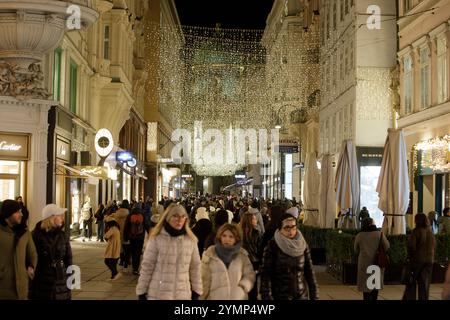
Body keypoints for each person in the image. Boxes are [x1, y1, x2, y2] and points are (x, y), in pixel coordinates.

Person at [136, 203, 202, 300]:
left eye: (183, 217)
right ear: (168, 218)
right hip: (158, 293)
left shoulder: (190, 241)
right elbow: (147, 266)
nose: (179, 220)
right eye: (175, 216)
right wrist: (142, 291)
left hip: (182, 294)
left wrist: (196, 290)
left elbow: (195, 268)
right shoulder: (157, 239)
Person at [260, 213, 318, 300]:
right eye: (287, 227)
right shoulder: (272, 246)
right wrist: (266, 296)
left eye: (293, 227)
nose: (291, 231)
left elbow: (310, 272)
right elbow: (265, 275)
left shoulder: (302, 245)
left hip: (301, 295)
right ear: (280, 229)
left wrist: (315, 296)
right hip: (280, 295)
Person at [200, 223, 255, 300]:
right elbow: (204, 280)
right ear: (220, 237)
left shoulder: (242, 256)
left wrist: (243, 287)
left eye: (231, 237)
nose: (227, 239)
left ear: (236, 239)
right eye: (224, 236)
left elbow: (249, 275)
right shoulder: (210, 255)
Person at [30, 204, 72, 300]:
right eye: (59, 215)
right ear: (51, 218)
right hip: (42, 280)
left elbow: (68, 258)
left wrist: (70, 278)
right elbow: (31, 257)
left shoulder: (62, 235)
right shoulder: (35, 236)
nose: (62, 218)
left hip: (60, 278)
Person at [0, 199, 37, 299]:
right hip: (3, 285)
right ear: (8, 214)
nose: (21, 214)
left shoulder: (25, 232)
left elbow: (32, 253)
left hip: (22, 285)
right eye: (18, 212)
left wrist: (31, 266)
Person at [354, 217, 390, 300]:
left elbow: (355, 249)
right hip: (376, 262)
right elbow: (387, 246)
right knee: (375, 287)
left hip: (364, 263)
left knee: (365, 287)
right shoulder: (379, 234)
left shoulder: (360, 235)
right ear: (371, 224)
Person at [403, 213, 436, 300]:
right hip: (429, 261)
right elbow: (434, 246)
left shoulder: (416, 231)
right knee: (424, 285)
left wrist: (409, 257)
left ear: (416, 220)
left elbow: (411, 246)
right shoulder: (430, 232)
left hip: (417, 261)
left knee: (411, 283)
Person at [240, 212, 262, 300]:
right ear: (249, 221)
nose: (256, 220)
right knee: (253, 287)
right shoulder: (256, 233)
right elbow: (259, 250)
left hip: (241, 263)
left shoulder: (239, 233)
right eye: (254, 219)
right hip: (254, 263)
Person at [124, 207, 146, 275]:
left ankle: (134, 268)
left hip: (132, 237)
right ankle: (136, 268)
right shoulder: (142, 215)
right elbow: (146, 225)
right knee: (138, 253)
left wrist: (125, 237)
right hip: (140, 237)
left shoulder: (130, 216)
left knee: (133, 253)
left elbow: (126, 227)